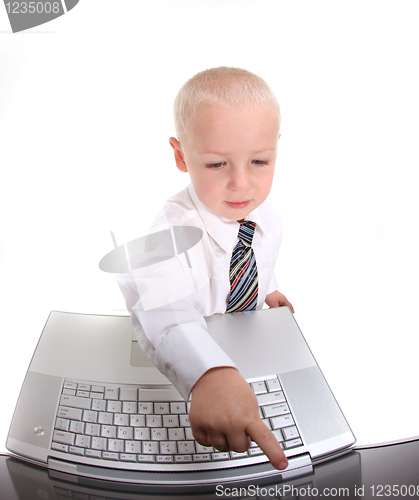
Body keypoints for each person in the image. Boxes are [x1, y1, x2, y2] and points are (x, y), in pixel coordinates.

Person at [117, 67, 294, 471]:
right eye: (217, 165)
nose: (241, 184)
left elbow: (255, 257)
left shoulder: (267, 215)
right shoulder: (172, 232)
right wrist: (208, 374)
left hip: (248, 343)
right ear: (181, 156)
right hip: (199, 353)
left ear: (276, 149)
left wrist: (268, 288)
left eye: (260, 161)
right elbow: (163, 311)